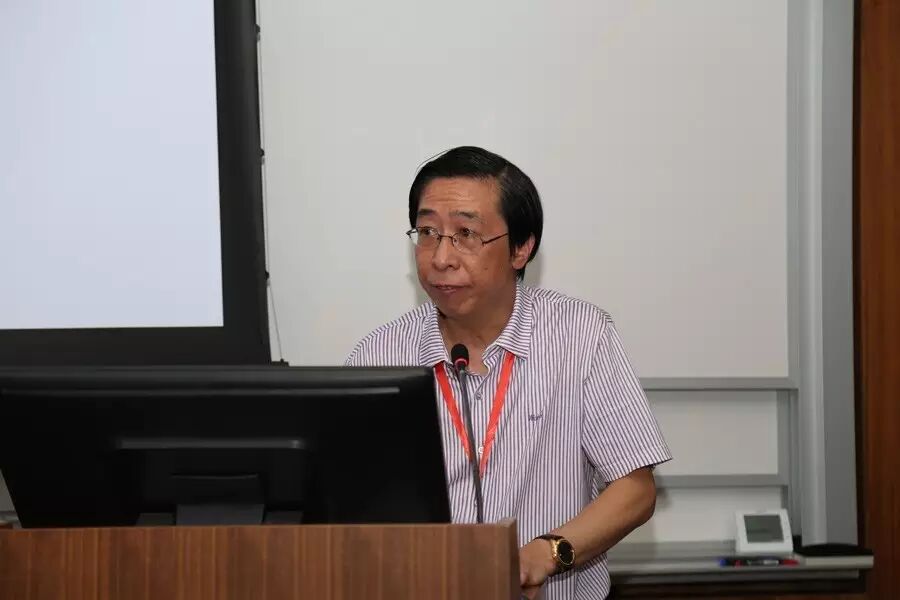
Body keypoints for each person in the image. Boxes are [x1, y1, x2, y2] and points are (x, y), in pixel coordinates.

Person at [346, 146, 671, 600]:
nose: (441, 257)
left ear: (521, 248)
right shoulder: (379, 356)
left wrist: (546, 554)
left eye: (466, 234)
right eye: (428, 232)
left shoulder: (580, 335)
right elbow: (351, 509)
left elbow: (634, 490)